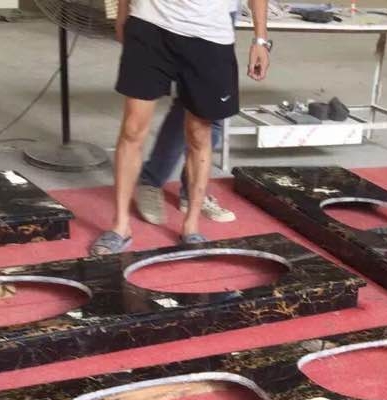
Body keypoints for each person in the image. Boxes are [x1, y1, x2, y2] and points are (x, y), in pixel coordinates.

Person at [91, 0, 271, 255]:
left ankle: (191, 226)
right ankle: (120, 226)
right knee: (132, 128)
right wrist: (122, 15)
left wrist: (260, 40)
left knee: (199, 134)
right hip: (150, 24)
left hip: (209, 33)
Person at [135, 0, 240, 227]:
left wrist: (261, 39)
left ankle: (191, 192)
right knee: (187, 105)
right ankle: (151, 181)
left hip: (224, 12)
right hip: (174, 13)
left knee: (211, 113)